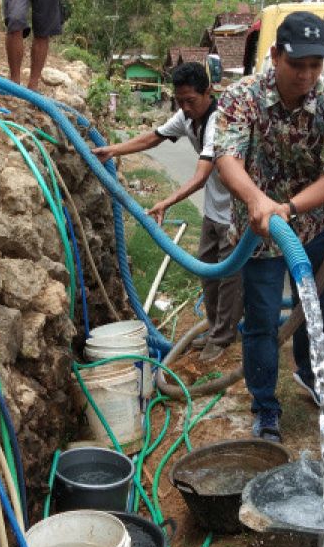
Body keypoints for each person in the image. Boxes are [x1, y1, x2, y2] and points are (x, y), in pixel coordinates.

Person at [213, 11, 324, 443]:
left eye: (316, 66)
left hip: (311, 226)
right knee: (260, 319)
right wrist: (260, 203)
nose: (307, 76)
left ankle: (312, 378)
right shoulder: (241, 97)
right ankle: (265, 408)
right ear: (275, 56)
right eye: (298, 66)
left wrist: (289, 209)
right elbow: (227, 159)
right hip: (257, 230)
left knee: (312, 307)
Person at [92, 62, 242, 359]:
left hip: (236, 211)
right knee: (207, 269)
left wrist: (166, 202)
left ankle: (224, 337)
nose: (185, 107)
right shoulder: (187, 116)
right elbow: (153, 137)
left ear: (208, 92)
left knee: (229, 275)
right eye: (180, 101)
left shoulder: (219, 121)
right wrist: (112, 150)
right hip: (215, 208)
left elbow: (200, 176)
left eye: (191, 101)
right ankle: (215, 328)